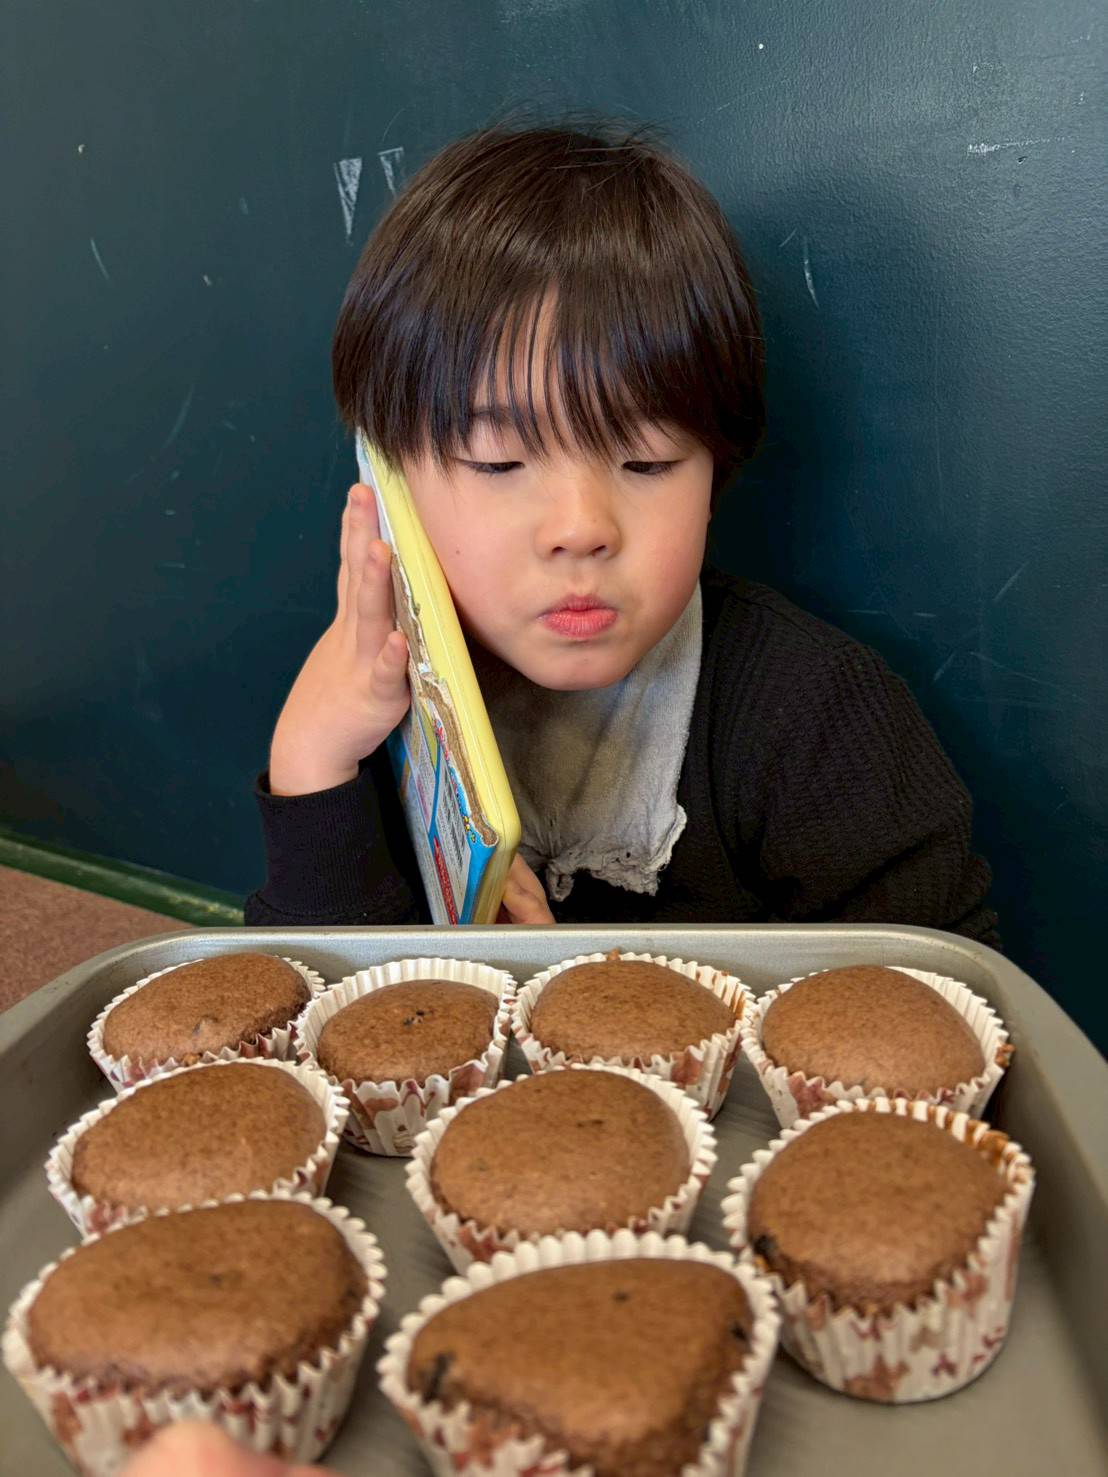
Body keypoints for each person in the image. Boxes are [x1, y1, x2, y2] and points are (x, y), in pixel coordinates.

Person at [246, 123, 997, 944]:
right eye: (498, 461)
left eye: (646, 461)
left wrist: (570, 985)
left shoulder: (818, 720)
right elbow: (324, 1004)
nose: (581, 530)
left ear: (715, 471)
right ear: (390, 482)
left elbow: (938, 998)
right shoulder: (369, 705)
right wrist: (312, 760)